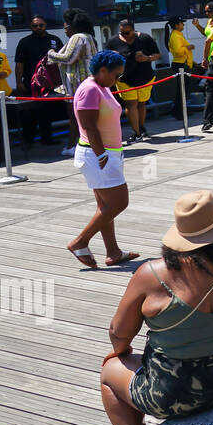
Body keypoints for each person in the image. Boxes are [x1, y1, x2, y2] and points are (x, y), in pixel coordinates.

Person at [100, 190, 213, 425]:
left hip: (173, 396)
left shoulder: (151, 274)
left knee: (108, 371)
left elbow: (118, 333)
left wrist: (123, 352)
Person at [65, 50, 140, 269]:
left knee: (105, 206)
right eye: (116, 75)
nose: (117, 80)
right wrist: (102, 155)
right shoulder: (89, 89)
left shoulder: (101, 86)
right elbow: (88, 125)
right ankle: (80, 242)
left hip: (105, 153)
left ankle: (113, 252)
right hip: (97, 154)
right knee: (119, 202)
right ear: (103, 70)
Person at [49, 9, 98, 154]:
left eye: (65, 27)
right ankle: (84, 144)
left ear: (72, 26)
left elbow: (68, 58)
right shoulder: (88, 36)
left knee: (75, 117)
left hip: (78, 85)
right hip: (88, 83)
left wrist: (51, 54)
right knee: (86, 117)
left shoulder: (77, 37)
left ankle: (73, 146)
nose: (64, 31)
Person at [107, 17, 161, 144]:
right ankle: (136, 132)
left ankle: (141, 128)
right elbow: (107, 58)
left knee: (141, 104)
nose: (125, 35)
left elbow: (157, 54)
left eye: (127, 32)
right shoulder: (113, 41)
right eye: (122, 33)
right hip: (124, 79)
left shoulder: (145, 38)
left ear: (134, 30)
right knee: (130, 104)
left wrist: (147, 58)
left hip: (145, 77)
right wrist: (113, 56)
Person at [11, 17, 61, 146]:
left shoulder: (54, 40)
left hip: (49, 84)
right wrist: (18, 82)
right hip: (30, 83)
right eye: (35, 26)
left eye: (41, 25)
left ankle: (47, 139)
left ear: (46, 25)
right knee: (29, 114)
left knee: (47, 112)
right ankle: (28, 140)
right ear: (31, 27)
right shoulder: (24, 42)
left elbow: (62, 61)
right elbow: (19, 64)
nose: (38, 27)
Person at [165, 16, 197, 120]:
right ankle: (179, 112)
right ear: (176, 25)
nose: (183, 25)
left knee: (183, 89)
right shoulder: (175, 36)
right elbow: (179, 51)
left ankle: (179, 110)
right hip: (181, 65)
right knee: (182, 90)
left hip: (182, 64)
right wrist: (189, 47)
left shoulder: (177, 35)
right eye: (181, 23)